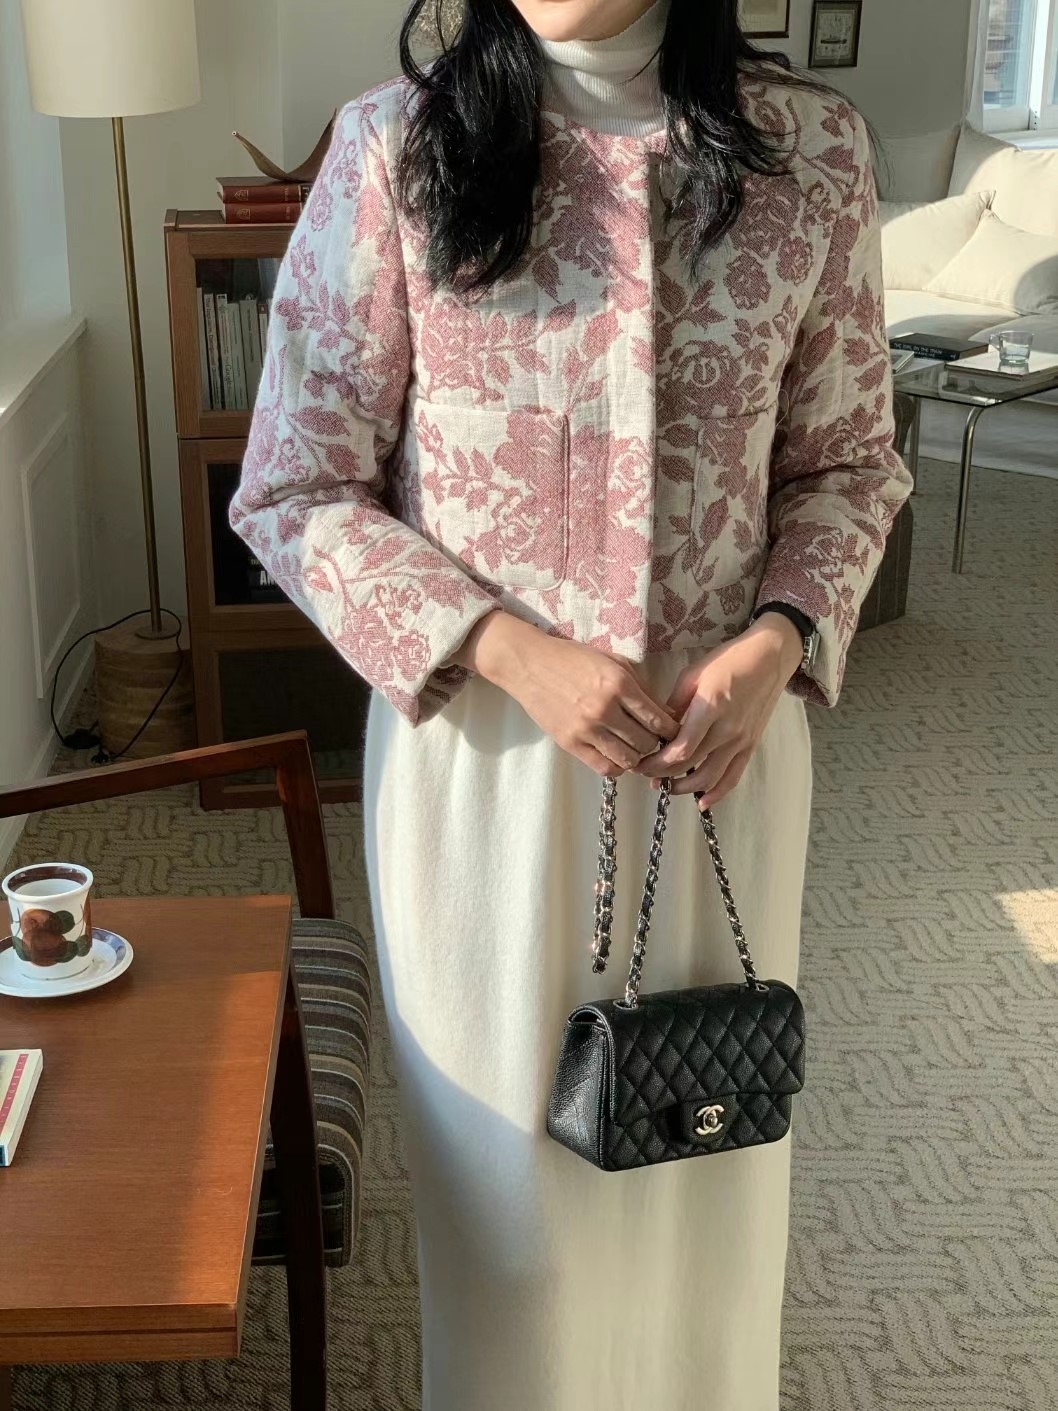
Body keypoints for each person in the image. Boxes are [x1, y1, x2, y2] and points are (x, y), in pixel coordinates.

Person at [230, 0, 912, 1405]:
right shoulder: (395, 149)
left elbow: (849, 462)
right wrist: (503, 648)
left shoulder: (813, 153)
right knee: (513, 1203)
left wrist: (781, 637)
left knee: (708, 1145)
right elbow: (294, 488)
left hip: (719, 763)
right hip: (486, 766)